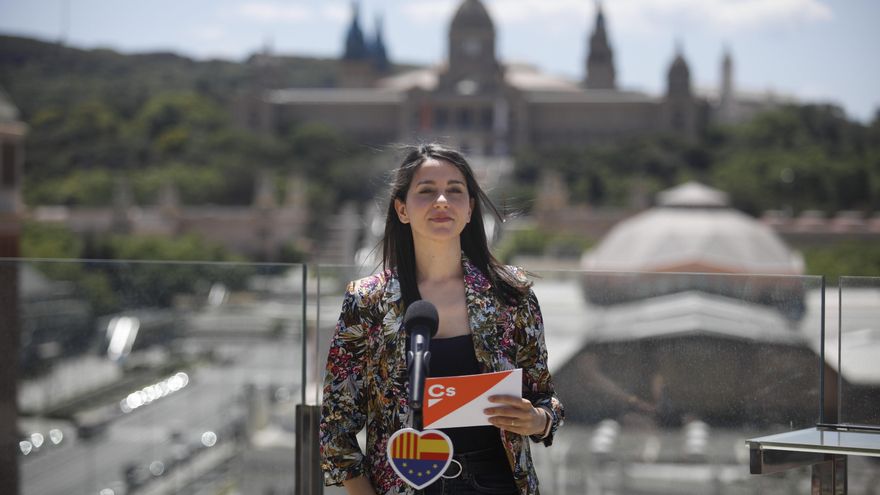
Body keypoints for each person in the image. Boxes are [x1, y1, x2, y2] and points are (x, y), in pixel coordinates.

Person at [320, 144, 563, 495]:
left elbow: (545, 398)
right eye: (426, 191)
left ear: (470, 209)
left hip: (496, 481)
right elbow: (335, 423)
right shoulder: (368, 301)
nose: (442, 201)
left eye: (454, 191)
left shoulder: (511, 294)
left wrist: (537, 421)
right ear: (401, 209)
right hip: (404, 482)